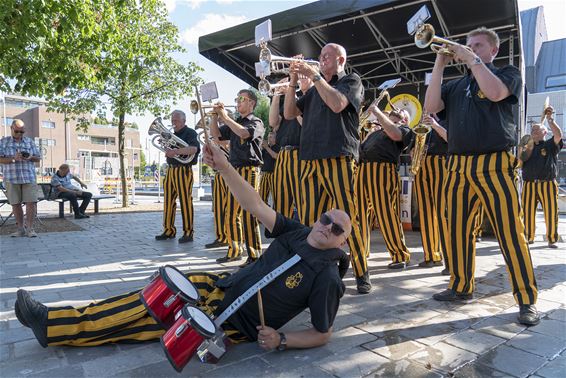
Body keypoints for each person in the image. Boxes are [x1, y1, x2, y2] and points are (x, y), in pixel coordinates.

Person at [14, 142, 350, 355]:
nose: (326, 227)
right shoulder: (299, 231)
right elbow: (255, 204)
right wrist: (223, 167)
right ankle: (60, 321)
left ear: (342, 241)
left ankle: (53, 325)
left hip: (232, 320)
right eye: (326, 218)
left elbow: (323, 333)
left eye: (337, 228)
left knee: (144, 320)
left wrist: (282, 341)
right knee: (143, 300)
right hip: (221, 285)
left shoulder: (327, 276)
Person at [424, 26, 540, 326]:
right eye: (468, 44)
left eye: (477, 45)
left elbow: (495, 92)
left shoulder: (507, 73)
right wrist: (439, 63)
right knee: (456, 231)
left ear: (493, 50)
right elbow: (431, 107)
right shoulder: (456, 84)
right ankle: (461, 286)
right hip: (458, 166)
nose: (470, 48)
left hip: (495, 164)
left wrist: (472, 59)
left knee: (510, 233)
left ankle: (526, 298)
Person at [284, 43, 368, 294]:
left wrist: (315, 77)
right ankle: (312, 269)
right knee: (311, 219)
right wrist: (291, 82)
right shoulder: (312, 91)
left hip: (338, 157)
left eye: (326, 56)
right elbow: (289, 113)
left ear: (340, 59)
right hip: (310, 159)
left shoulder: (351, 81)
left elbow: (337, 104)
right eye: (320, 56)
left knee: (347, 218)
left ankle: (362, 272)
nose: (320, 60)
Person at [210, 89, 264, 265]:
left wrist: (225, 117)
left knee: (250, 213)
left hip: (250, 170)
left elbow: (243, 134)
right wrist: (214, 116)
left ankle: (255, 254)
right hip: (234, 170)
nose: (238, 101)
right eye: (237, 98)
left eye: (242, 99)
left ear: (252, 103)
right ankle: (234, 250)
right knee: (231, 213)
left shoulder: (256, 122)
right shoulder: (235, 122)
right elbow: (216, 136)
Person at [356, 107, 412, 271]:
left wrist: (377, 112)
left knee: (387, 215)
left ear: (404, 119)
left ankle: (400, 255)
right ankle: (361, 252)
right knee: (359, 215)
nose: (395, 110)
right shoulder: (375, 131)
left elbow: (394, 134)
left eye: (400, 111)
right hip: (362, 171)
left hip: (382, 170)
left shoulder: (404, 129)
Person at [519, 108, 563, 249]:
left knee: (551, 211)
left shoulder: (550, 145)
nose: (534, 133)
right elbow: (520, 162)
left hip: (548, 183)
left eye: (537, 130)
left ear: (545, 132)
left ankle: (552, 239)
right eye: (532, 131)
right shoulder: (528, 147)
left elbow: (558, 135)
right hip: (529, 184)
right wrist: (523, 147)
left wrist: (550, 119)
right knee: (527, 211)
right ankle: (528, 237)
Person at [154, 110, 200, 244]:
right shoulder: (171, 135)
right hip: (171, 171)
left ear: (184, 121)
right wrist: (166, 148)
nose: (173, 123)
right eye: (172, 120)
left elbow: (193, 149)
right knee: (168, 201)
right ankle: (168, 230)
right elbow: (169, 150)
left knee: (185, 202)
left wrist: (175, 152)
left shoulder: (191, 133)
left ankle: (188, 232)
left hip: (183, 170)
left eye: (176, 120)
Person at [270, 76, 312, 218]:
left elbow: (306, 124)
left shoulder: (311, 98)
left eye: (304, 76)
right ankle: (283, 238)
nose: (300, 79)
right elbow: (273, 122)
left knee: (303, 201)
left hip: (300, 153)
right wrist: (276, 94)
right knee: (280, 201)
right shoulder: (288, 101)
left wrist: (291, 93)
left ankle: (305, 237)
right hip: (283, 155)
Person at [0, 119, 41, 237]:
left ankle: (30, 229)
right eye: (17, 131)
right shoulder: (3, 142)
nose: (19, 134)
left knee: (31, 203)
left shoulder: (30, 141)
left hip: (29, 176)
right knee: (15, 204)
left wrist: (30, 157)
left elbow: (38, 158)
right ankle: (20, 229)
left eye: (22, 132)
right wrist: (13, 159)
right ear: (11, 128)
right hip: (11, 178)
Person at [205, 141, 230, 249]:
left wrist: (219, 144)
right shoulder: (218, 132)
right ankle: (221, 237)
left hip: (230, 172)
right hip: (218, 174)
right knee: (218, 208)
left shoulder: (229, 131)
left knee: (231, 209)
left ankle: (234, 239)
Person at [259, 131, 279, 205]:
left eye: (270, 137)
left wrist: (267, 147)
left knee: (276, 197)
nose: (268, 139)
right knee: (261, 196)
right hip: (264, 174)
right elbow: (260, 160)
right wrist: (260, 148)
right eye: (268, 137)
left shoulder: (277, 147)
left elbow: (276, 156)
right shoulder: (266, 149)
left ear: (275, 139)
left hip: (274, 175)